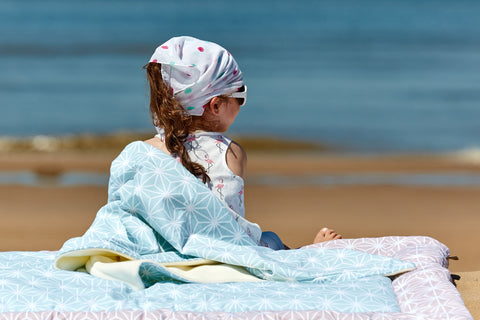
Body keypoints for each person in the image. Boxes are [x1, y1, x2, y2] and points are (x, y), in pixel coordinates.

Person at [142, 36, 341, 250]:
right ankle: (310, 253)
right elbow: (232, 231)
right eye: (240, 95)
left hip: (165, 249)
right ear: (216, 105)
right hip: (222, 255)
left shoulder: (145, 150)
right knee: (271, 239)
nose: (242, 103)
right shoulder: (231, 152)